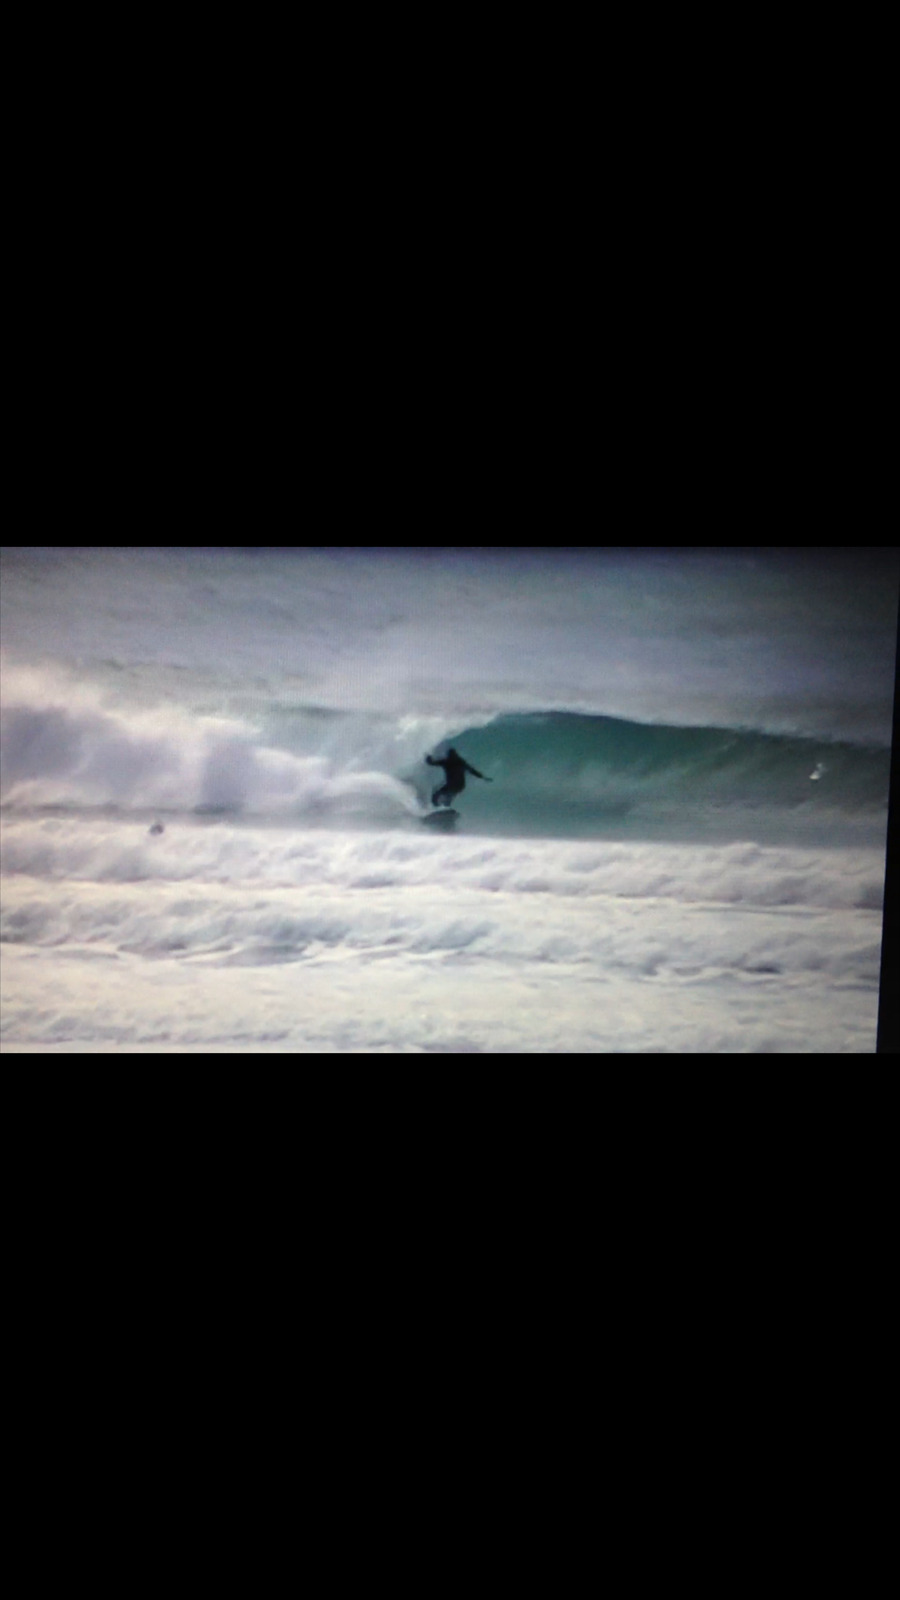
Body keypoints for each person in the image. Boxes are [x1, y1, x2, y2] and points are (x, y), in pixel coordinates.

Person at [425, 747, 492, 807]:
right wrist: (483, 777)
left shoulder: (446, 762)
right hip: (460, 787)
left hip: (451, 786)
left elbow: (433, 763)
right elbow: (472, 771)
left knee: (436, 795)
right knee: (448, 797)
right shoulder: (461, 762)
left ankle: (437, 809)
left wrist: (428, 758)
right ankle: (445, 809)